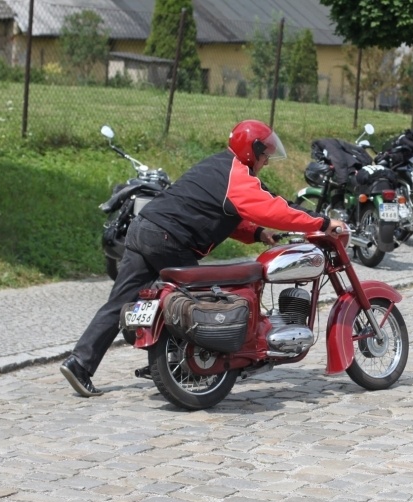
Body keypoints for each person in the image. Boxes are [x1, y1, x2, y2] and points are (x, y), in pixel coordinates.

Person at [60, 119, 347, 397]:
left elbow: (220, 212)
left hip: (143, 230)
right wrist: (321, 223)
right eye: (265, 155)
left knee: (119, 302)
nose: (267, 162)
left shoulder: (217, 166)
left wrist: (257, 234)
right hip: (169, 238)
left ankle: (80, 363)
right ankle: (177, 362)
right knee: (201, 303)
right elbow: (272, 209)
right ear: (253, 151)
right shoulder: (237, 175)